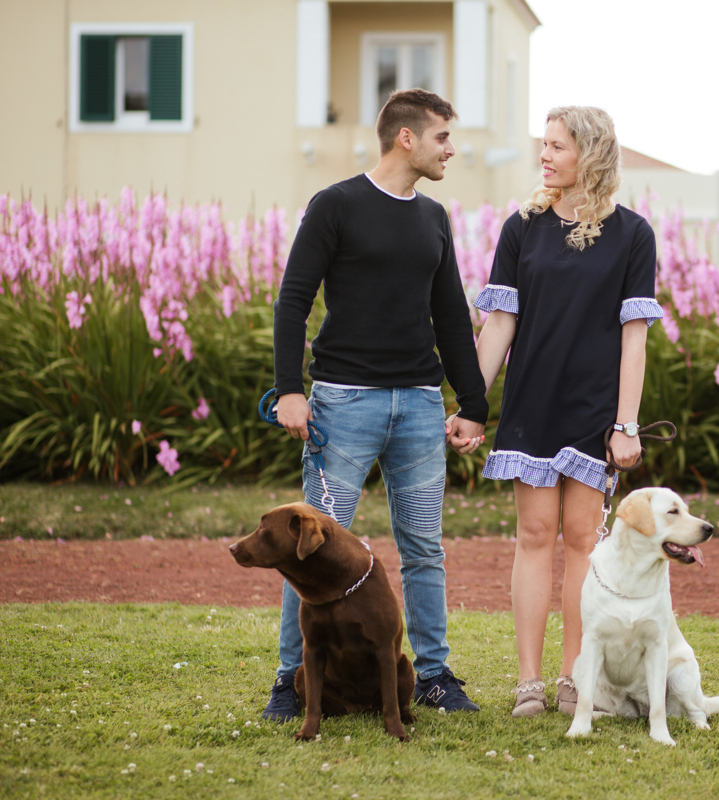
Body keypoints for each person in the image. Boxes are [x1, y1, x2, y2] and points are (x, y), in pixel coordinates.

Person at [265, 88, 488, 721]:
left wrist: (472, 403)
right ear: (407, 138)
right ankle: (291, 681)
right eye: (444, 137)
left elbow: (449, 315)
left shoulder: (433, 218)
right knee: (307, 549)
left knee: (423, 547)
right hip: (343, 406)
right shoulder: (335, 205)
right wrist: (289, 390)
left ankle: (435, 676)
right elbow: (292, 301)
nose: (453, 149)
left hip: (419, 405)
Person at [468, 106, 663, 717]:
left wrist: (626, 424)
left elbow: (635, 337)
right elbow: (500, 323)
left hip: (593, 410)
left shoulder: (633, 234)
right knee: (532, 538)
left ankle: (573, 678)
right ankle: (529, 681)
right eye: (544, 145)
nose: (544, 155)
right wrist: (473, 407)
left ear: (591, 154)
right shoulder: (522, 227)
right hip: (531, 401)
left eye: (557, 146)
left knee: (583, 541)